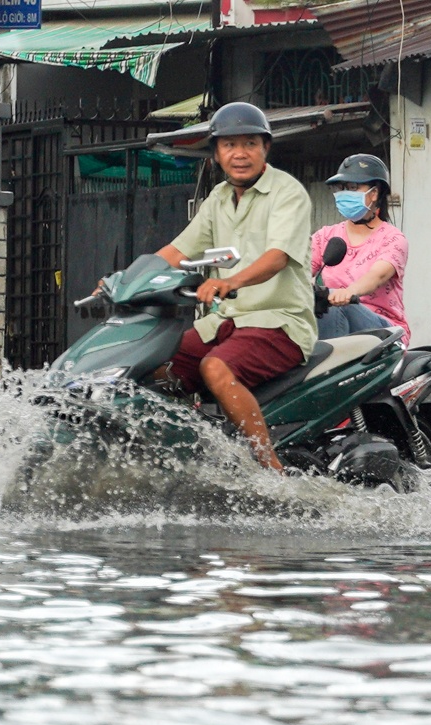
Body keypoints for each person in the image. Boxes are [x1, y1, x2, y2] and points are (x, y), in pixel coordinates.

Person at [157, 102, 314, 472]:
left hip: (279, 322)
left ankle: (268, 467)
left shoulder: (287, 193)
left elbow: (277, 256)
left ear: (266, 149)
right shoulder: (219, 199)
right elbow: (179, 250)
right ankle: (182, 457)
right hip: (225, 323)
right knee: (157, 364)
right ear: (216, 153)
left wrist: (231, 281)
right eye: (229, 145)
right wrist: (126, 278)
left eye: (249, 144)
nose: (239, 154)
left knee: (214, 368)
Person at [310, 154, 408, 342]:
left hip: (385, 331)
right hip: (334, 318)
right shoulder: (325, 236)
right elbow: (300, 267)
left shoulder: (393, 239)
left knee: (334, 306)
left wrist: (349, 292)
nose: (346, 193)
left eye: (354, 187)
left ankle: (331, 369)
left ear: (375, 193)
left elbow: (377, 276)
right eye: (343, 188)